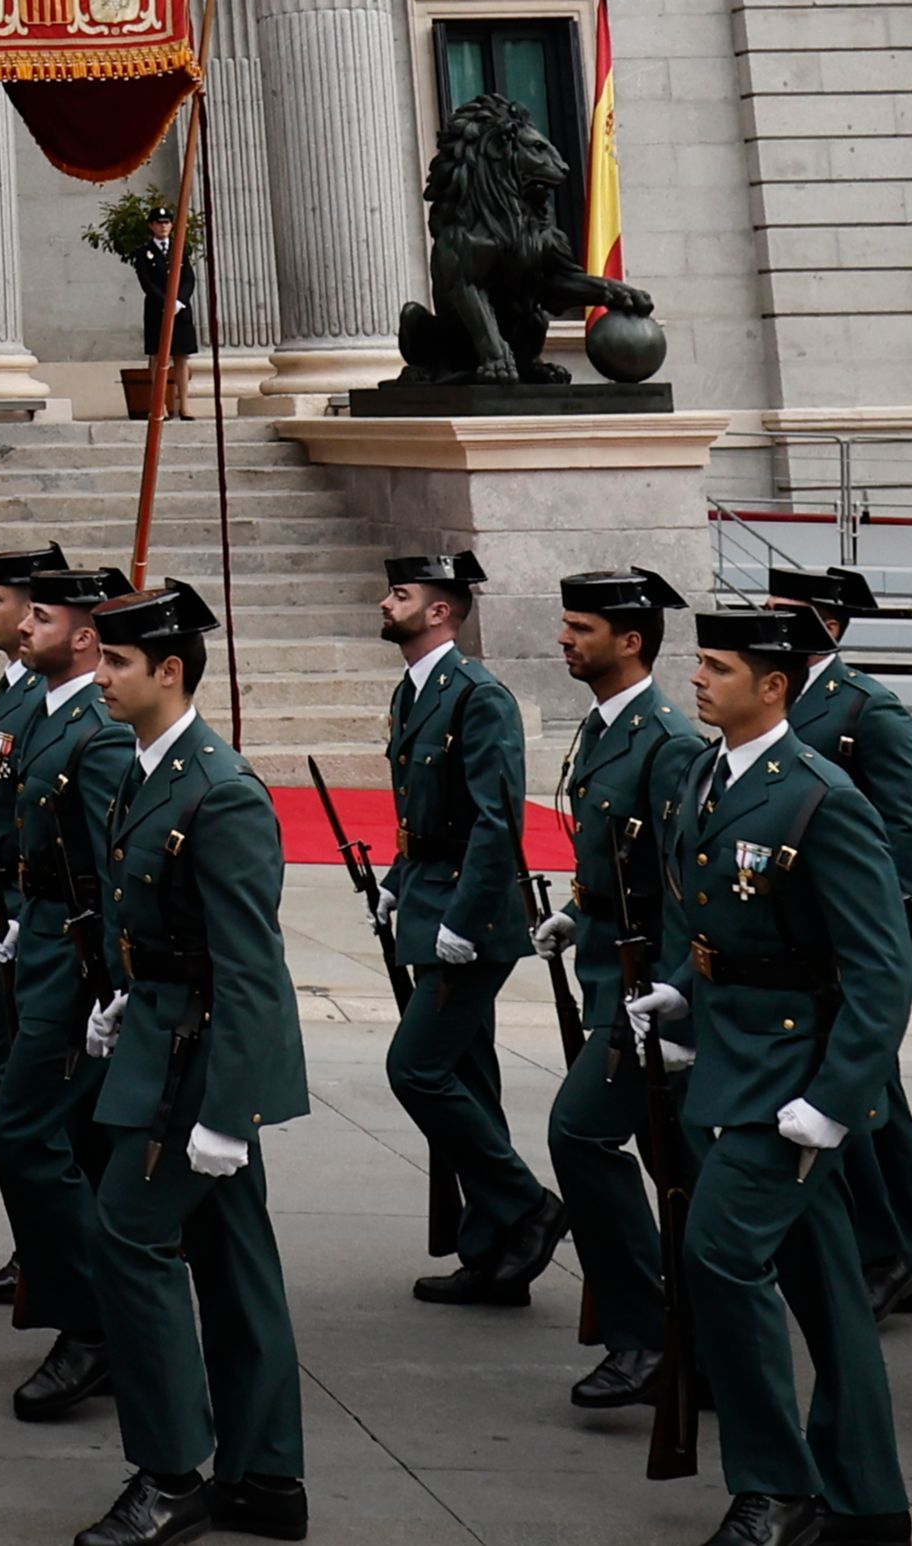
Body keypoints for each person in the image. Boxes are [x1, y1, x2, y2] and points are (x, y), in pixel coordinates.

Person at [615, 599, 912, 1546]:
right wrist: (682, 1000)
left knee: (719, 1260)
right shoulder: (708, 771)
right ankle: (867, 1501)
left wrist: (835, 1100)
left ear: (773, 686)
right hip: (731, 1059)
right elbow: (718, 929)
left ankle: (777, 1487)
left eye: (717, 667)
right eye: (699, 664)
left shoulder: (819, 796)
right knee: (826, 1289)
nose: (696, 679)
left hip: (790, 1077)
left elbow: (876, 970)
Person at [64, 577, 307, 1546]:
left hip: (199, 1063)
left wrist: (223, 1112)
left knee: (127, 1238)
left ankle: (170, 1473)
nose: (100, 675)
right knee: (234, 1261)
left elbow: (251, 966)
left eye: (116, 661)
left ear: (169, 669)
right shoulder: (143, 764)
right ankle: (264, 1476)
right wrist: (121, 992)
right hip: (162, 1031)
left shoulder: (221, 789)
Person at [762, 568, 912, 1319]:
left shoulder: (867, 710)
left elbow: (906, 835)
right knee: (879, 1102)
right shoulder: (780, 694)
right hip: (804, 935)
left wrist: (895, 937)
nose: (773, 624)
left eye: (791, 615)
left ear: (833, 629)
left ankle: (893, 1255)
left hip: (851, 938)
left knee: (866, 1098)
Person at [536, 566, 702, 1415]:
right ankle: (703, 1338)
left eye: (581, 627)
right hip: (608, 960)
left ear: (629, 641)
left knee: (582, 1136)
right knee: (678, 1159)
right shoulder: (609, 728)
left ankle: (648, 1335)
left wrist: (679, 1001)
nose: (565, 638)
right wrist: (576, 909)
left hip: (646, 983)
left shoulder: (665, 741)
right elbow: (618, 856)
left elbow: (680, 881)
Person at [385, 548, 562, 1304]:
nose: (386, 603)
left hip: (471, 915)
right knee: (466, 1076)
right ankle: (495, 1255)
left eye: (401, 594)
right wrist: (397, 884)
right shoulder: (413, 690)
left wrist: (464, 917)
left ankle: (528, 1206)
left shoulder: (477, 696)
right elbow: (421, 810)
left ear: (441, 611)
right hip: (429, 894)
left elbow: (497, 822)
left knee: (415, 1069)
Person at [0, 559, 126, 1423]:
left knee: (31, 1129)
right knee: (36, 1124)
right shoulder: (47, 716)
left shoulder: (96, 734)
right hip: (35, 938)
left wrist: (108, 978)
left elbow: (111, 870)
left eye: (40, 617)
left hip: (74, 965)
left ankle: (96, 1319)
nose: (22, 627)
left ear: (84, 635)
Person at [0, 542, 75, 1344]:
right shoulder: (19, 687)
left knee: (25, 1088)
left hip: (49, 920)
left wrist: (24, 909)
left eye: (2, 599)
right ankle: (41, 1237)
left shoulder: (60, 699)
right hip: (15, 908)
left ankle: (56, 1247)